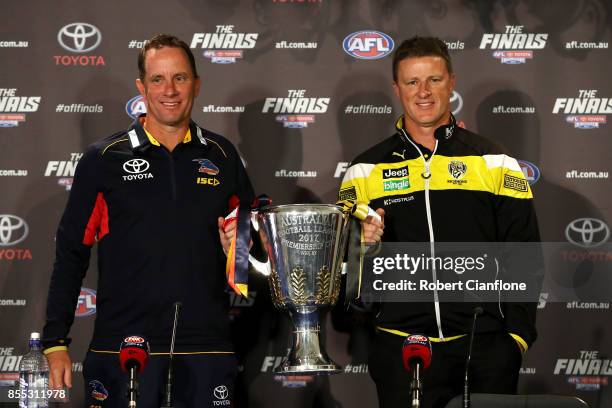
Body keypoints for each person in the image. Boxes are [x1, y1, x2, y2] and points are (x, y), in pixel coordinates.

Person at [42, 34, 253, 406]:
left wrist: (238, 252)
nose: (169, 90)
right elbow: (72, 252)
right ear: (141, 86)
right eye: (157, 79)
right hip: (122, 347)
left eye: (180, 78)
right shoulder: (103, 159)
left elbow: (255, 252)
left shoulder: (222, 155)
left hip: (206, 348)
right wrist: (55, 340)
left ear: (197, 83)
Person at [337, 36, 541, 408]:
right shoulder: (365, 169)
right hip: (402, 347)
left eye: (433, 80)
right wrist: (362, 246)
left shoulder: (495, 161)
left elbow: (524, 252)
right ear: (396, 89)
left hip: (485, 347)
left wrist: (515, 339)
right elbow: (344, 273)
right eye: (412, 82)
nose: (423, 92)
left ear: (452, 82)